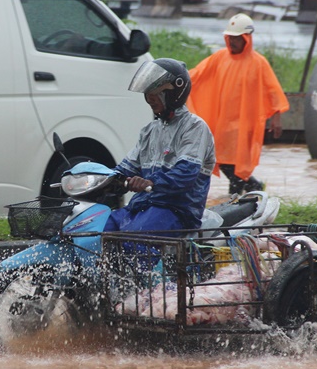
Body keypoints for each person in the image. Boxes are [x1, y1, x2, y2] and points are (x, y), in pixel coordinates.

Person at [104, 58, 215, 233]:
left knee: (131, 239)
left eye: (156, 93)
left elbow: (185, 175)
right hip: (142, 207)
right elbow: (125, 169)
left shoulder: (194, 127)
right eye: (148, 94)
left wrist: (149, 182)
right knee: (99, 230)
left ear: (175, 93)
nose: (150, 99)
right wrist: (103, 180)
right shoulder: (149, 131)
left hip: (175, 211)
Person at [187, 13, 290, 195]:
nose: (232, 42)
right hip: (223, 123)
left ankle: (236, 200)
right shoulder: (219, 57)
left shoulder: (259, 63)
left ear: (246, 39)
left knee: (237, 164)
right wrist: (175, 79)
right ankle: (251, 189)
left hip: (245, 124)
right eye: (230, 37)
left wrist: (276, 119)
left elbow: (273, 91)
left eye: (236, 38)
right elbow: (197, 74)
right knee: (221, 159)